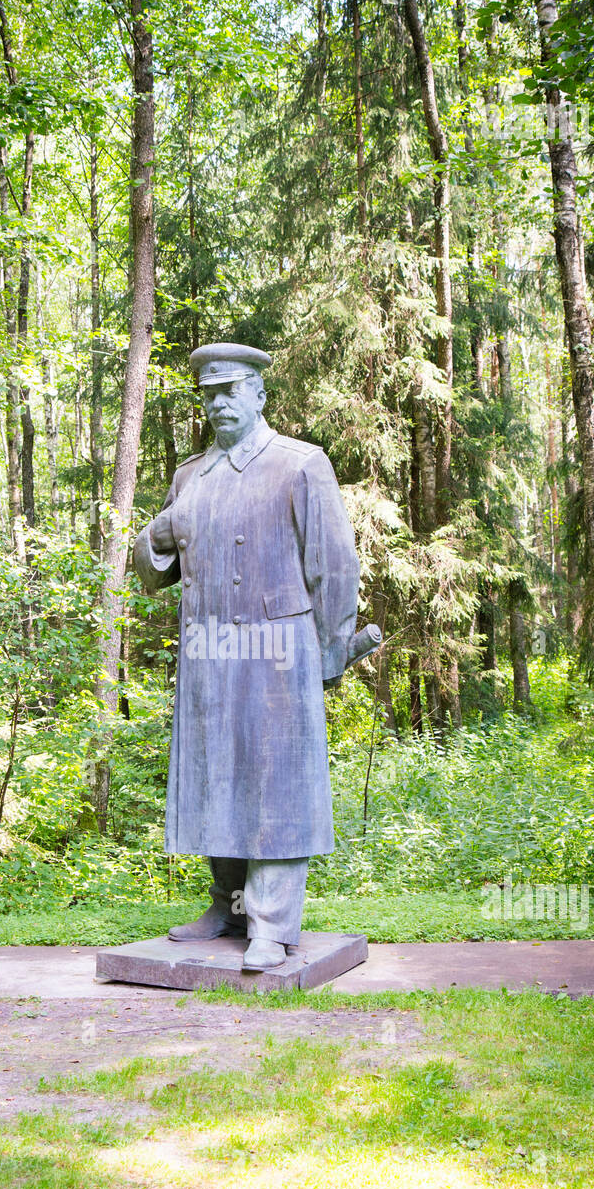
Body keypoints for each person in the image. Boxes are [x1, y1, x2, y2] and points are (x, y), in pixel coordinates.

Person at [132, 343, 363, 970]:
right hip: (209, 650)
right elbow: (155, 573)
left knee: (277, 784)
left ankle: (271, 922)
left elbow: (334, 567)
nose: (217, 403)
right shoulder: (190, 477)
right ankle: (229, 905)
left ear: (260, 394)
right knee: (216, 779)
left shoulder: (300, 465)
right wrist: (156, 532)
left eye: (230, 390)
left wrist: (333, 649)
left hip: (279, 651)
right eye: (208, 393)